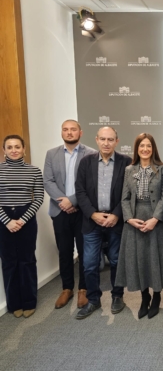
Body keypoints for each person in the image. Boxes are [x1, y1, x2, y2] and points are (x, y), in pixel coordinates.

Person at [116, 133, 163, 319]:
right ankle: (144, 297)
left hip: (155, 221)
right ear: (137, 149)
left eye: (148, 146)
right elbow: (124, 198)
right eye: (141, 146)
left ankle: (157, 297)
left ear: (153, 148)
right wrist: (129, 219)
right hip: (135, 223)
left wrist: (155, 219)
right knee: (139, 260)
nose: (145, 149)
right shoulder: (129, 170)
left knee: (155, 260)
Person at [74, 127, 131, 319]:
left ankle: (117, 297)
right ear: (96, 140)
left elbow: (128, 193)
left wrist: (116, 214)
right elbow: (80, 192)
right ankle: (93, 300)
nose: (106, 143)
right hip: (92, 222)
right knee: (89, 264)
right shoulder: (85, 162)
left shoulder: (126, 163)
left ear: (117, 141)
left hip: (116, 221)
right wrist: (92, 214)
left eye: (110, 139)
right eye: (103, 139)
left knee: (116, 261)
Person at [43, 120, 97, 310]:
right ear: (61, 133)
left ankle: (83, 288)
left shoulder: (90, 153)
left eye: (73, 129)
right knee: (64, 251)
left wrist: (72, 201)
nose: (69, 132)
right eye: (65, 129)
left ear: (80, 132)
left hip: (82, 211)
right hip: (59, 211)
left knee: (85, 252)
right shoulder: (52, 154)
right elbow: (48, 181)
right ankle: (67, 288)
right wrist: (64, 201)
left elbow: (90, 184)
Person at [0, 135, 44, 318]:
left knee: (27, 261)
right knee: (9, 262)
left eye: (17, 146)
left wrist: (22, 220)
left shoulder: (34, 171)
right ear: (4, 150)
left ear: (24, 149)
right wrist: (7, 221)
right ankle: (14, 303)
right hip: (3, 220)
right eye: (9, 147)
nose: (14, 150)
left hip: (26, 218)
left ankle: (29, 301)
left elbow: (39, 198)